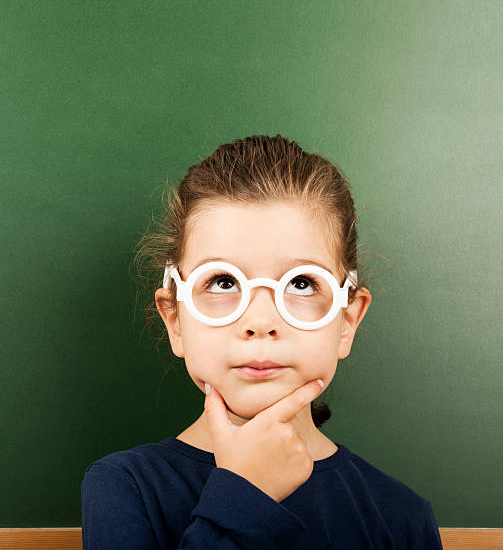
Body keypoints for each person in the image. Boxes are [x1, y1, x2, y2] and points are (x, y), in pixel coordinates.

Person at [81, 135, 443, 548]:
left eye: (303, 283)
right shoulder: (126, 488)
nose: (260, 322)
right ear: (175, 320)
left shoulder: (401, 517)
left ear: (347, 320)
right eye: (222, 281)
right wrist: (244, 496)